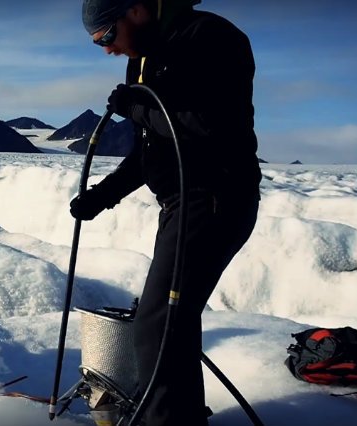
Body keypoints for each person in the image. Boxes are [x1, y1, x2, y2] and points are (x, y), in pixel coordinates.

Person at [72, 0, 261, 424]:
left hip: (215, 197)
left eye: (106, 37)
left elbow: (209, 124)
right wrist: (102, 196)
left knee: (157, 324)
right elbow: (150, 152)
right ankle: (179, 413)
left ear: (135, 10)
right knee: (170, 321)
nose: (107, 50)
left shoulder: (210, 38)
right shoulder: (143, 60)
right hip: (180, 204)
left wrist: (139, 107)